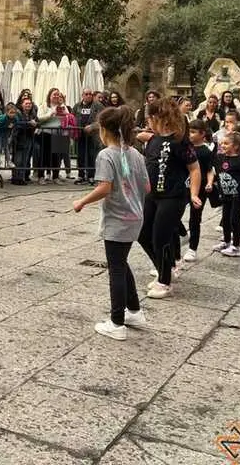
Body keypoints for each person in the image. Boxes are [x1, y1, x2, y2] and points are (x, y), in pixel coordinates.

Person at [72, 105, 149, 341]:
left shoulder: (106, 155)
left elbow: (105, 187)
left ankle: (117, 322)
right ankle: (134, 311)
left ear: (104, 130)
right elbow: (147, 187)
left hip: (117, 218)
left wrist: (82, 201)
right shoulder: (136, 154)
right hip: (135, 216)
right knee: (121, 263)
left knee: (115, 268)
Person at [136, 98, 201, 299]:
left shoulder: (180, 141)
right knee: (142, 233)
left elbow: (194, 168)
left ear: (159, 117)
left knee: (160, 237)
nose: (148, 122)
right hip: (151, 194)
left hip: (172, 196)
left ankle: (164, 282)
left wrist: (194, 193)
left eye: (150, 118)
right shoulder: (153, 140)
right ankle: (165, 268)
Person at [207, 130, 240, 257]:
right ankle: (226, 242)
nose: (222, 145)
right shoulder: (220, 157)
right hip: (225, 194)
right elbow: (214, 170)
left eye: (226, 143)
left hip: (238, 194)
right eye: (222, 143)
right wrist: (211, 183)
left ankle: (236, 246)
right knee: (225, 219)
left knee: (234, 219)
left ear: (235, 146)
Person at [183, 119, 214, 263]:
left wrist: (209, 183)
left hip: (200, 189)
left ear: (202, 134)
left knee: (195, 218)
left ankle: (192, 248)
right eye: (189, 131)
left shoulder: (206, 152)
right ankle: (183, 234)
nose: (190, 135)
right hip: (183, 186)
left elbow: (209, 170)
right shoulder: (185, 147)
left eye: (193, 132)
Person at [10, 97, 37, 185]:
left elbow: (37, 122)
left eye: (30, 103)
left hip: (29, 138)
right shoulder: (18, 113)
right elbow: (17, 123)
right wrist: (29, 123)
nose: (28, 105)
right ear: (22, 105)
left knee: (25, 159)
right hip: (19, 138)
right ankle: (15, 178)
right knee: (18, 159)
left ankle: (21, 178)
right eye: (26, 103)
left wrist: (34, 124)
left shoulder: (32, 114)